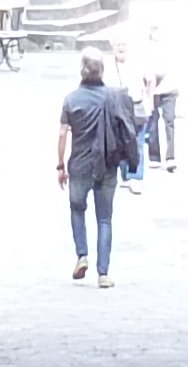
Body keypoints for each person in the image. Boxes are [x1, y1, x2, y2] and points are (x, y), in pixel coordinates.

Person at [59, 54, 148, 282]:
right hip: (107, 164)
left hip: (79, 164)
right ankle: (103, 273)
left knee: (77, 209)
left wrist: (60, 165)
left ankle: (82, 255)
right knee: (104, 219)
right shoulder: (113, 97)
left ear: (82, 70)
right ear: (102, 71)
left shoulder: (71, 100)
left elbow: (62, 133)